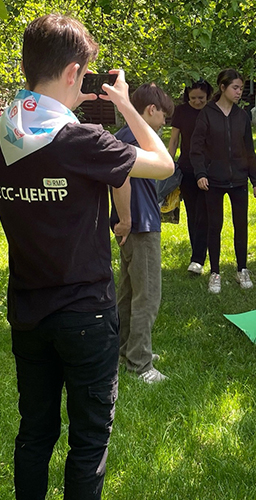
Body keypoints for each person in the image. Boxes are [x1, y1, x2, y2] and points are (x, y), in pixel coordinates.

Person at [0, 14, 174, 499]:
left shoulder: (4, 133)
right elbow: (164, 163)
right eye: (83, 77)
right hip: (85, 315)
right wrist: (125, 104)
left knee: (34, 433)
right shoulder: (83, 140)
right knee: (88, 442)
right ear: (74, 72)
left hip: (28, 312)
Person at [110, 83, 174, 383]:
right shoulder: (137, 138)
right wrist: (125, 219)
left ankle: (125, 348)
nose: (164, 123)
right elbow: (119, 179)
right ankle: (139, 363)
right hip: (141, 225)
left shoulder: (124, 135)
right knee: (147, 295)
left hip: (133, 224)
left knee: (129, 292)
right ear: (151, 110)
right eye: (163, 116)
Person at [190, 68, 256, 294]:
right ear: (223, 88)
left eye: (241, 88)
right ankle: (215, 272)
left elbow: (249, 149)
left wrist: (255, 180)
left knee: (241, 226)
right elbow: (196, 148)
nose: (239, 92)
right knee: (215, 226)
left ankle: (242, 269)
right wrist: (201, 173)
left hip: (239, 180)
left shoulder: (242, 116)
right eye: (235, 87)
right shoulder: (207, 114)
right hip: (213, 181)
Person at [168, 79, 213, 274]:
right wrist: (168, 163)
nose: (196, 101)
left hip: (209, 169)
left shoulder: (213, 111)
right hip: (186, 168)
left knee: (205, 214)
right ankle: (197, 256)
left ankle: (199, 258)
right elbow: (174, 140)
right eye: (192, 98)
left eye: (201, 98)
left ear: (208, 96)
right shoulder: (181, 111)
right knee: (192, 214)